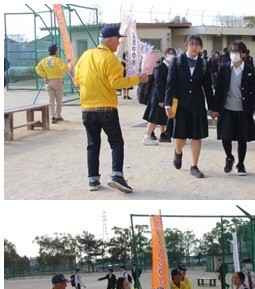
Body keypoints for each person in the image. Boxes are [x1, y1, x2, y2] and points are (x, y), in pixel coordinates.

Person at [74, 23, 148, 193]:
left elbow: (77, 80)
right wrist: (138, 79)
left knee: (93, 144)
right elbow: (116, 83)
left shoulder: (85, 55)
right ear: (111, 40)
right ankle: (117, 176)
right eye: (118, 40)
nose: (119, 44)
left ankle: (93, 179)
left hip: (87, 108)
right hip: (106, 107)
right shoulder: (111, 59)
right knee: (116, 142)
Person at [211, 40, 255, 176]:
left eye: (237, 51)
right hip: (226, 108)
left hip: (243, 109)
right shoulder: (224, 68)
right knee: (225, 136)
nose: (234, 53)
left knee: (242, 138)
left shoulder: (249, 70)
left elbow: (254, 92)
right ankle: (229, 157)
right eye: (232, 51)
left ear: (244, 54)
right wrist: (215, 108)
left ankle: (241, 164)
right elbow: (218, 90)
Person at [165, 35, 214, 179]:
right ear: (186, 46)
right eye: (192, 44)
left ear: (201, 48)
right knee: (181, 136)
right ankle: (178, 152)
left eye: (197, 44)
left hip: (197, 105)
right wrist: (167, 104)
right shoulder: (177, 61)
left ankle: (194, 166)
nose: (194, 47)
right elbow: (170, 84)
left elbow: (208, 87)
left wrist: (212, 107)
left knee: (196, 136)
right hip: (181, 105)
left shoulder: (204, 64)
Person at [142, 48, 177, 145]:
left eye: (173, 53)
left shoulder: (172, 67)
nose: (171, 55)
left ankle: (163, 134)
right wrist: (161, 99)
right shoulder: (159, 67)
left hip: (165, 96)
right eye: (169, 53)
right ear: (164, 55)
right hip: (158, 97)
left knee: (162, 116)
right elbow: (158, 84)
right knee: (154, 117)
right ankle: (147, 136)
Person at [35, 44, 71, 124]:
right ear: (56, 51)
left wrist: (45, 75)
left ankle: (52, 117)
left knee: (51, 100)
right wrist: (68, 63)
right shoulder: (58, 60)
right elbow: (65, 69)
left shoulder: (44, 60)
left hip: (48, 82)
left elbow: (37, 68)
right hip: (58, 82)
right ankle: (58, 116)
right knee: (59, 100)